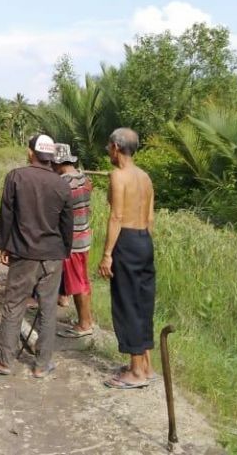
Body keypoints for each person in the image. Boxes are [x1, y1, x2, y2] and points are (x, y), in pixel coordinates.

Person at [0, 135, 73, 379]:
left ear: (30, 152)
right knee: (48, 309)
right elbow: (67, 224)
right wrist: (65, 251)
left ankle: (5, 361)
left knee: (14, 305)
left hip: (24, 254)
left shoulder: (16, 177)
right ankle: (42, 364)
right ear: (51, 156)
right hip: (53, 255)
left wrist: (2, 246)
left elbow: (7, 215)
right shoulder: (62, 184)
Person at [99, 128, 157, 389]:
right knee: (143, 302)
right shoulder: (145, 176)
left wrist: (108, 254)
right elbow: (151, 217)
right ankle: (146, 365)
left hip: (127, 239)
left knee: (127, 303)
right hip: (145, 239)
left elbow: (116, 217)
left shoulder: (118, 175)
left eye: (109, 148)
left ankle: (136, 372)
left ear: (115, 147)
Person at [52, 143, 95, 338]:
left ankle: (84, 324)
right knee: (83, 280)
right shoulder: (84, 179)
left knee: (78, 283)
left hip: (71, 240)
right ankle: (86, 319)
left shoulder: (63, 183)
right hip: (84, 236)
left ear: (58, 162)